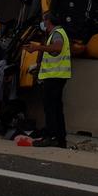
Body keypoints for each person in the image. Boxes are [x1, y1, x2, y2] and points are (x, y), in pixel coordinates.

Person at [29, 11, 71, 148]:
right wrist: (39, 66)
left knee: (50, 109)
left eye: (43, 20)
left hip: (54, 77)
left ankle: (51, 137)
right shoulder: (59, 33)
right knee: (57, 108)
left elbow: (57, 48)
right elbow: (55, 56)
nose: (42, 23)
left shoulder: (57, 34)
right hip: (58, 76)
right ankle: (60, 139)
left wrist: (37, 48)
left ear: (48, 21)